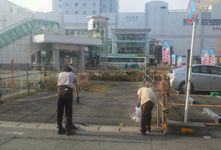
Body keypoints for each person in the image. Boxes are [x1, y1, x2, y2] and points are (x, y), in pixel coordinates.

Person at [56, 65, 79, 135]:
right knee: (68, 111)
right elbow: (76, 86)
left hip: (59, 91)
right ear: (71, 70)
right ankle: (68, 130)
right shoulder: (73, 74)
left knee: (59, 111)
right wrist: (77, 96)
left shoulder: (60, 74)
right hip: (68, 91)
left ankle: (60, 128)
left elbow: (58, 83)